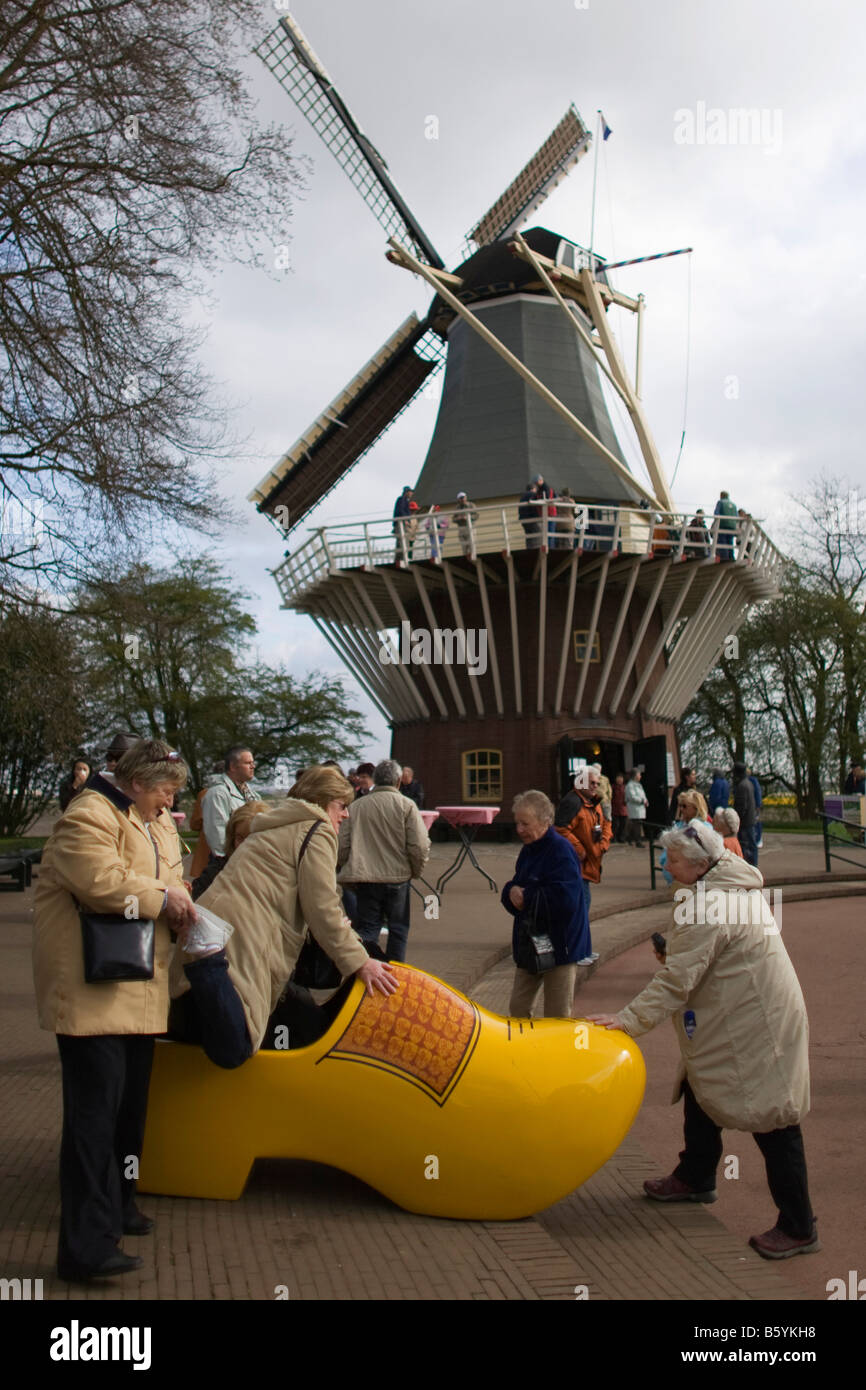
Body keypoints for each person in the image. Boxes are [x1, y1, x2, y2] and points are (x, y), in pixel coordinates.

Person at [586, 823, 818, 1261]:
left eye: (671, 860)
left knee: (774, 1115)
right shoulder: (728, 881)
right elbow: (702, 957)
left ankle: (799, 1224)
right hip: (742, 1015)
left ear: (696, 865)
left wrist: (627, 1020)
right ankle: (696, 1175)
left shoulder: (709, 905)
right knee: (699, 1084)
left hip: (754, 1024)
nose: (664, 866)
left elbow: (676, 982)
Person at [33, 738, 195, 1281]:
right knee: (92, 1122)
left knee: (126, 1116)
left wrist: (178, 894)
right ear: (139, 782)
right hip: (93, 993)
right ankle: (83, 1247)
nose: (170, 805)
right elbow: (100, 883)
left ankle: (118, 1208)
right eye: (167, 793)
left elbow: (162, 877)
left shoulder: (143, 817)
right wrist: (164, 897)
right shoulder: (90, 814)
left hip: (134, 989)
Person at [170, 766, 398, 1069]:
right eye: (341, 806)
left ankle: (203, 963)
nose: (345, 815)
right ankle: (206, 963)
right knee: (236, 1047)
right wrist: (360, 962)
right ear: (322, 802)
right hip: (244, 936)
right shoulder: (315, 830)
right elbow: (323, 907)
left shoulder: (275, 825)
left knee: (222, 1027)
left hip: (226, 925)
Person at [503, 790, 590, 1018]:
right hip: (531, 942)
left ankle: (556, 1054)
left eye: (525, 823)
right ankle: (524, 1052)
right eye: (517, 823)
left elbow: (567, 898)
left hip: (561, 944)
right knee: (518, 1008)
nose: (519, 829)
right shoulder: (528, 850)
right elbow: (519, 884)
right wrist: (510, 891)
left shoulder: (561, 850)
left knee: (557, 1013)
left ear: (544, 822)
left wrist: (527, 896)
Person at [337, 759, 431, 962]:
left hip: (365, 878)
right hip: (397, 877)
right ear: (398, 781)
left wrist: (343, 867)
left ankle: (366, 970)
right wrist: (415, 870)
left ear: (376, 780)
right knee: (398, 929)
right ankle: (396, 978)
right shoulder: (407, 806)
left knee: (368, 929)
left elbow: (342, 845)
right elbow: (420, 845)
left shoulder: (356, 807)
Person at [554, 767, 610, 959]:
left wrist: (603, 843)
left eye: (597, 783)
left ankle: (582, 949)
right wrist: (579, 849)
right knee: (579, 907)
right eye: (592, 783)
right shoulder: (572, 802)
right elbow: (560, 828)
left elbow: (605, 824)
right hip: (576, 864)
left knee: (583, 906)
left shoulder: (593, 802)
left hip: (589, 862)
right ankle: (576, 952)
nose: (595, 786)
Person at [191, 800, 266, 900]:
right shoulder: (216, 873)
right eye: (239, 838)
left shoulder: (278, 872)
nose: (244, 845)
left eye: (251, 839)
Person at [201, 745, 256, 863]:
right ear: (232, 767)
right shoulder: (217, 794)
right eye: (248, 763)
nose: (253, 766)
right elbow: (216, 833)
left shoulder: (252, 794)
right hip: (229, 862)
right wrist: (227, 862)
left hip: (248, 859)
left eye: (253, 762)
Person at [732, 761, 758, 866]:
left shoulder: (742, 786)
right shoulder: (749, 783)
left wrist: (737, 820)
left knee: (745, 845)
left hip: (745, 822)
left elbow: (742, 806)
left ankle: (750, 866)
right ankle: (753, 865)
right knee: (752, 844)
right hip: (750, 819)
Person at [625, 769, 649, 846]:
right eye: (639, 774)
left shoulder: (639, 785)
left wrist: (645, 800)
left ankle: (630, 838)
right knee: (636, 824)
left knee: (637, 824)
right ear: (635, 776)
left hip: (640, 807)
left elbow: (643, 795)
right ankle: (638, 841)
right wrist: (642, 801)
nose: (640, 776)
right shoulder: (630, 785)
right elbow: (632, 797)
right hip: (634, 807)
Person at [714, 490, 738, 561]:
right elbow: (736, 515)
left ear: (721, 495)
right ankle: (731, 556)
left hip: (723, 524)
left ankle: (725, 556)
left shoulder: (720, 502)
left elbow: (716, 513)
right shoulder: (734, 505)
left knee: (722, 540)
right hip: (732, 526)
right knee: (730, 541)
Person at [454, 491, 478, 557]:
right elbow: (453, 519)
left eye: (463, 497)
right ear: (458, 499)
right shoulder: (457, 508)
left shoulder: (471, 505)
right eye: (460, 498)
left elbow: (476, 516)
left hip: (470, 527)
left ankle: (473, 557)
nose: (462, 499)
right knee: (464, 546)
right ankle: (465, 558)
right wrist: (458, 518)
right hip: (461, 529)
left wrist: (468, 518)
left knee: (471, 545)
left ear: (466, 497)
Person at [392, 485, 414, 559]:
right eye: (411, 492)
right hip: (401, 523)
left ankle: (398, 558)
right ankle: (401, 558)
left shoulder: (403, 500)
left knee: (400, 541)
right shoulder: (402, 499)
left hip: (400, 522)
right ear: (407, 492)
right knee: (402, 541)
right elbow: (401, 510)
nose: (411, 494)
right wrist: (405, 520)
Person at [748, 766, 764, 850]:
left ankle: (758, 839)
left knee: (756, 822)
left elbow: (757, 793)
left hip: (754, 806)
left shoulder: (753, 781)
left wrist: (758, 805)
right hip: (750, 806)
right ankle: (754, 839)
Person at [611, 772, 628, 843]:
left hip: (623, 808)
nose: (619, 780)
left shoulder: (625, 787)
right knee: (615, 824)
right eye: (618, 778)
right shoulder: (613, 787)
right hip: (615, 807)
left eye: (621, 778)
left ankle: (621, 838)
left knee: (623, 824)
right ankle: (613, 837)